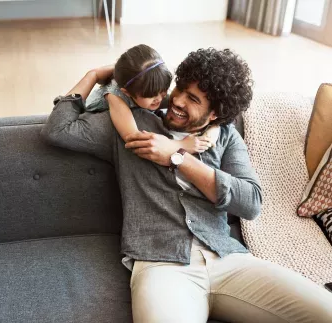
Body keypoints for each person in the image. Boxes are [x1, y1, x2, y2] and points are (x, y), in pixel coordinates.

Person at [41, 48, 332, 323]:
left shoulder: (225, 137)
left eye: (193, 100)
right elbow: (58, 130)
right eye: (179, 88)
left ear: (215, 113)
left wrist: (178, 157)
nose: (177, 101)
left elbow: (251, 202)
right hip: (162, 265)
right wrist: (93, 75)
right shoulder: (129, 126)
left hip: (228, 260)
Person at [86, 44, 220, 153]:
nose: (159, 99)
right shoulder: (116, 98)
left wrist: (214, 128)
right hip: (90, 116)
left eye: (163, 91)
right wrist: (180, 145)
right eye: (151, 96)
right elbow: (132, 138)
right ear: (127, 93)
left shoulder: (148, 88)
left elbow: (211, 114)